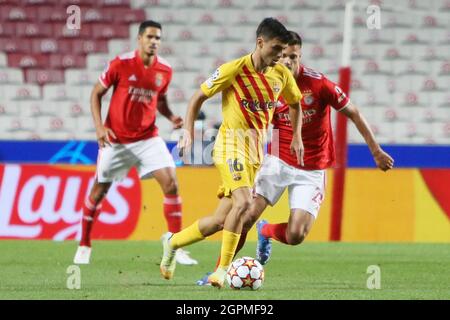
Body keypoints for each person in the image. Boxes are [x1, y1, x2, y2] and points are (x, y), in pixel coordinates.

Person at [196, 31, 394, 285]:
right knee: (244, 216)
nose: (287, 61)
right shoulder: (267, 81)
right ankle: (218, 272)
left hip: (312, 167)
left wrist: (375, 150)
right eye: (283, 56)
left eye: (293, 56)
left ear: (300, 56)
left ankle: (266, 231)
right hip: (277, 160)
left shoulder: (319, 84)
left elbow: (353, 112)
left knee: (297, 234)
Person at [159, 18, 304, 288]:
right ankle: (223, 271)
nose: (280, 57)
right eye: (275, 50)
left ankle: (173, 242)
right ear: (260, 43)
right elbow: (197, 98)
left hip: (253, 154)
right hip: (229, 145)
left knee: (219, 221)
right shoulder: (234, 69)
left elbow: (295, 103)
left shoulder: (281, 75)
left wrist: (296, 136)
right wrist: (189, 132)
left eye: (284, 52)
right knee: (244, 204)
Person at [73, 20, 197, 266]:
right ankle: (85, 244)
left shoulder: (165, 70)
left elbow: (159, 99)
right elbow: (96, 94)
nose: (154, 42)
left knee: (171, 183)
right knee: (99, 192)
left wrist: (171, 115)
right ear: (139, 38)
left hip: (148, 138)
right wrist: (99, 127)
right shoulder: (120, 64)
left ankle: (175, 243)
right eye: (150, 37)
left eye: (158, 38)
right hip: (116, 140)